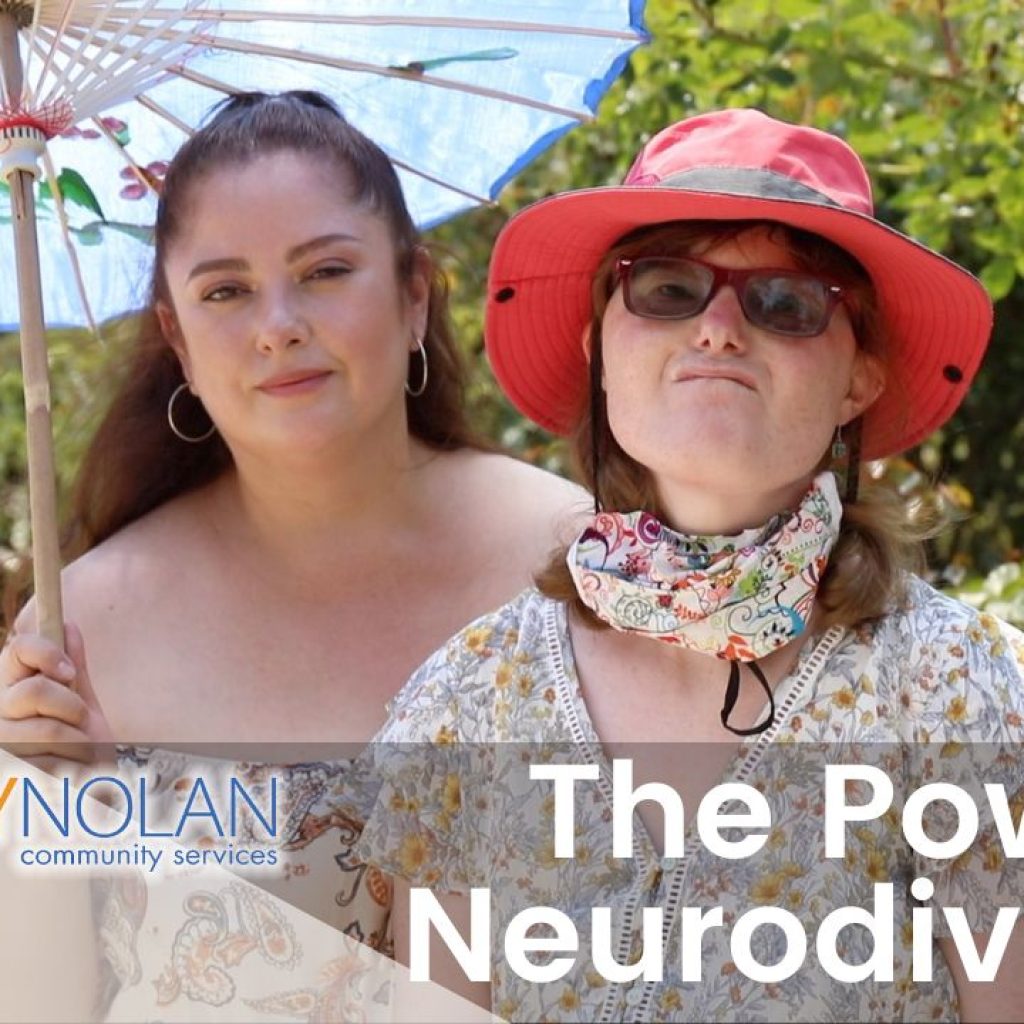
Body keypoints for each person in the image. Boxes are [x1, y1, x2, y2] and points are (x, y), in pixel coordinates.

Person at [358, 108, 1024, 1022]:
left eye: (786, 303)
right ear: (600, 348)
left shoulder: (956, 689)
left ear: (857, 380)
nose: (717, 328)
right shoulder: (464, 704)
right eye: (667, 288)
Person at [0, 91, 584, 1021]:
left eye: (324, 271)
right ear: (177, 340)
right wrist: (29, 796)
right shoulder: (81, 632)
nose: (278, 324)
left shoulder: (574, 568)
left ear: (413, 294)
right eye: (225, 291)